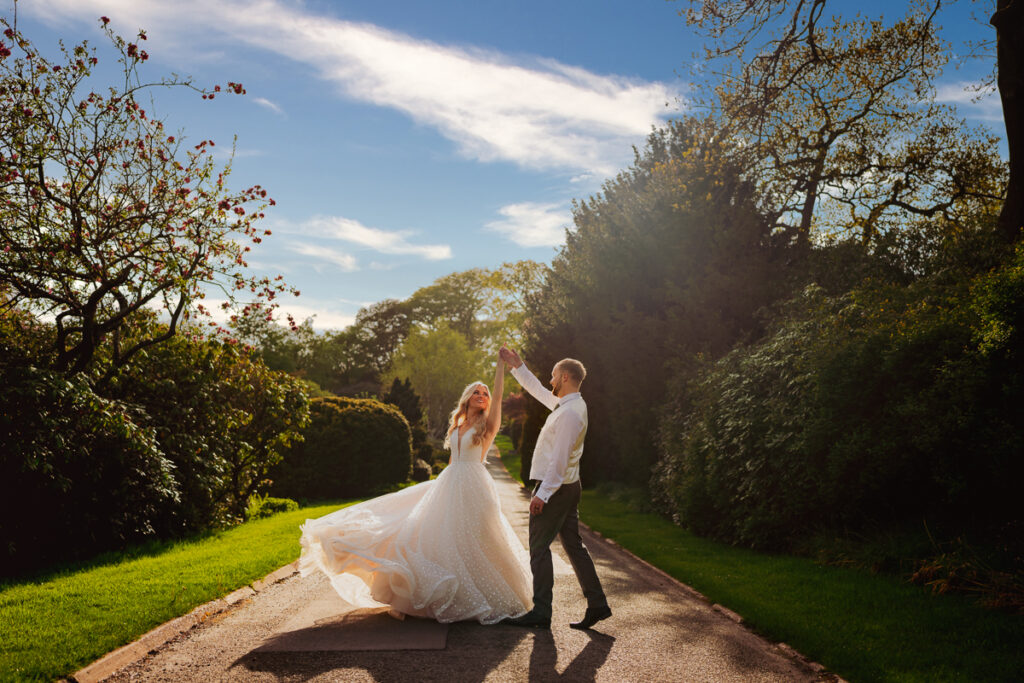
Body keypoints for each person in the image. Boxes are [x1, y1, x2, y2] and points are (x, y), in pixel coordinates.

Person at [297, 353, 532, 624]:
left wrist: (500, 367)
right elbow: (453, 461)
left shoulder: (487, 426)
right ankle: (439, 595)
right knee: (433, 535)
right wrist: (437, 485)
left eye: (485, 393)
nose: (482, 395)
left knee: (480, 538)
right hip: (450, 482)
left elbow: (499, 398)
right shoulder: (457, 425)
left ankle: (484, 596)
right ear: (467, 398)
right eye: (477, 392)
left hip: (476, 485)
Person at [498, 346, 611, 630]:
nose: (550, 381)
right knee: (574, 546)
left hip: (557, 488)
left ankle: (541, 611)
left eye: (553, 376)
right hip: (567, 486)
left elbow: (559, 460)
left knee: (538, 547)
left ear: (563, 376)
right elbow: (538, 391)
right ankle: (598, 604)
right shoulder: (568, 406)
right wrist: (518, 366)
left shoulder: (571, 413)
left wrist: (542, 494)